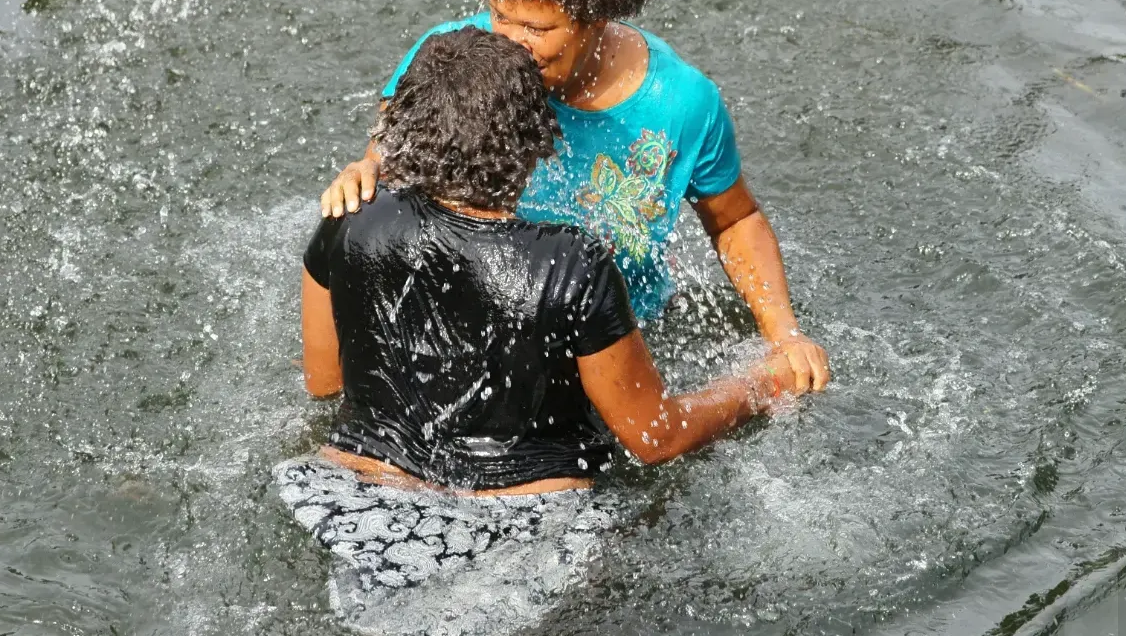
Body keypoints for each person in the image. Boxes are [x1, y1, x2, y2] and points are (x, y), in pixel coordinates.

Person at [321, 0, 831, 394]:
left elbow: (735, 221)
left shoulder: (682, 104)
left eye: (537, 29)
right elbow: (392, 156)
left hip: (619, 340)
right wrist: (368, 169)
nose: (512, 43)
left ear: (597, 17)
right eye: (500, 16)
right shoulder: (454, 62)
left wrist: (784, 336)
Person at [298, 26, 812, 500]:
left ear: (407, 129)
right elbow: (656, 438)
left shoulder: (348, 217)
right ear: (535, 143)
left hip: (348, 493)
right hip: (523, 520)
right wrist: (760, 384)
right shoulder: (573, 265)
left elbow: (325, 384)